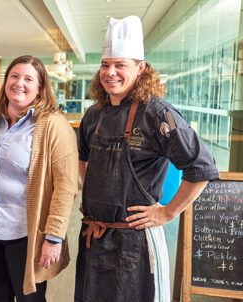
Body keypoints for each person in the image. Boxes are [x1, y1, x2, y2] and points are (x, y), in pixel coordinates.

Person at [75, 16, 218, 302]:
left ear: (140, 68)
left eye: (120, 65)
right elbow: (84, 158)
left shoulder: (157, 114)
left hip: (134, 243)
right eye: (105, 65)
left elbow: (201, 168)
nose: (110, 73)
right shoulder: (93, 115)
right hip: (93, 235)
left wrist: (166, 212)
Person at [0, 55, 77, 302]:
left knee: (29, 299)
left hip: (25, 234)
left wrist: (54, 237)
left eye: (28, 79)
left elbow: (65, 187)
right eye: (14, 76)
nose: (19, 83)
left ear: (40, 87)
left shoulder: (53, 125)